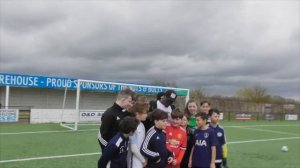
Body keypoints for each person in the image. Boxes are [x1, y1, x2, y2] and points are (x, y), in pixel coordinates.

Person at [127, 96, 149, 168]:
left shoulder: (141, 124)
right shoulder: (132, 126)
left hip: (140, 159)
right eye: (145, 113)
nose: (147, 115)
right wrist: (143, 160)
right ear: (137, 113)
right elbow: (133, 148)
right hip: (134, 160)